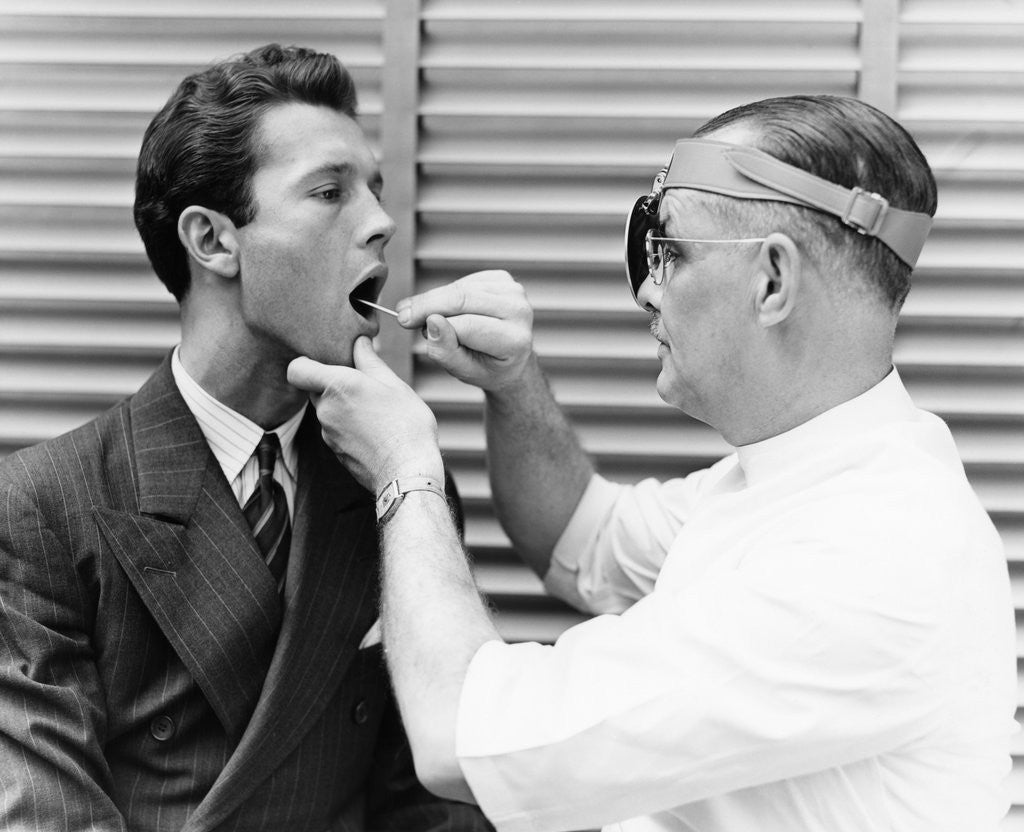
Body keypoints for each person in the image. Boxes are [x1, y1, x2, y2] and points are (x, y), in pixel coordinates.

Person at [288, 95, 1018, 832]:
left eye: (669, 251)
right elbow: (579, 538)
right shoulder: (803, 478)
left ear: (771, 281)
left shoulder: (875, 558)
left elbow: (458, 733)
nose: (646, 288)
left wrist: (405, 469)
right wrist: (513, 387)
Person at [0, 43, 489, 832]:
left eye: (376, 190)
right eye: (331, 192)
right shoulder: (44, 505)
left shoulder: (399, 486)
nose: (383, 222)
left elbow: (427, 804)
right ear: (213, 240)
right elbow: (50, 815)